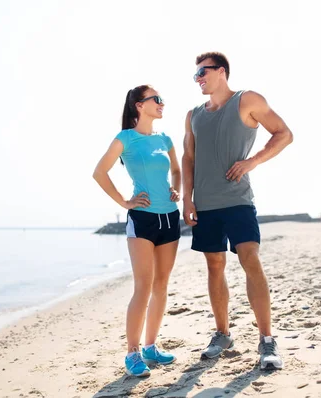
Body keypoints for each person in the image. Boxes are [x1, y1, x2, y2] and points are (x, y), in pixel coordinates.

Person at [181, 52, 294, 370]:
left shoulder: (247, 100)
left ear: (221, 72)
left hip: (238, 200)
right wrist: (187, 200)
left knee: (249, 259)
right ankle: (222, 334)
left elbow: (284, 134)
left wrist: (251, 162)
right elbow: (188, 158)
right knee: (214, 267)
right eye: (195, 75)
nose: (199, 79)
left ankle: (267, 340)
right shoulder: (193, 115)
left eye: (203, 72)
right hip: (205, 205)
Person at [93, 85, 181, 377]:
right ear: (139, 105)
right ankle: (132, 353)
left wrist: (176, 190)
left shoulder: (165, 138)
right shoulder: (125, 138)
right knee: (143, 286)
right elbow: (99, 172)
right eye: (156, 99)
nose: (161, 103)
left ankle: (151, 347)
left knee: (161, 286)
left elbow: (178, 171)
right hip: (142, 219)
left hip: (170, 218)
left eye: (162, 99)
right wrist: (124, 202)